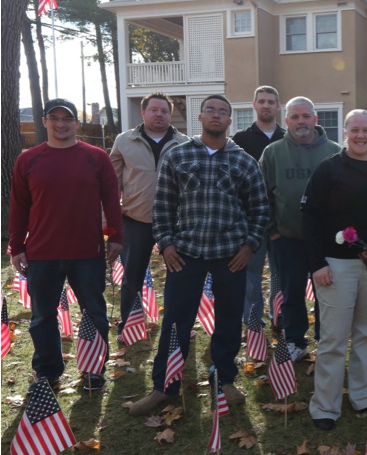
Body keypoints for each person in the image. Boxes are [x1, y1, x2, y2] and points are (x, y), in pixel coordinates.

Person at [129, 95, 270, 416]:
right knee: (176, 322)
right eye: (211, 110)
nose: (216, 116)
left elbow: (260, 210)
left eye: (223, 111)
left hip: (230, 255)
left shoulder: (244, 161)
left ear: (230, 120)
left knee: (229, 320)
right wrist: (166, 244)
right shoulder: (177, 157)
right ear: (201, 117)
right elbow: (162, 206)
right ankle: (164, 387)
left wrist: (248, 246)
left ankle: (224, 380)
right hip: (186, 255)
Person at [302, 109, 367, 430]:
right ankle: (325, 406)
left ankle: (365, 397)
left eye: (366, 130)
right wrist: (316, 264)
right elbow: (310, 218)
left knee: (366, 334)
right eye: (355, 130)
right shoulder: (328, 169)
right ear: (345, 131)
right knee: (333, 338)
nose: (361, 136)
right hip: (335, 267)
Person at [9, 98, 123, 391]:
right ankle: (47, 371)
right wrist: (17, 245)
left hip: (87, 252)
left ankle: (93, 370)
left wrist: (116, 236)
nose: (61, 124)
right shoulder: (28, 160)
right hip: (42, 253)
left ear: (76, 123)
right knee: (42, 316)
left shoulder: (96, 157)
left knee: (94, 312)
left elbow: (111, 199)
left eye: (67, 119)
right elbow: (19, 206)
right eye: (55, 118)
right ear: (45, 121)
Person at [259, 97, 341, 361]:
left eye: (306, 116)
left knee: (326, 293)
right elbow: (262, 195)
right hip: (288, 238)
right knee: (291, 292)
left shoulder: (335, 152)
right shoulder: (273, 152)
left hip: (327, 242)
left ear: (315, 120)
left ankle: (324, 340)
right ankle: (295, 340)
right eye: (294, 117)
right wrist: (273, 230)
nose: (301, 121)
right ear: (287, 121)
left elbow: (346, 196)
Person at [110, 93, 188, 338]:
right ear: (143, 112)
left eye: (164, 111)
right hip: (135, 220)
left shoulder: (184, 143)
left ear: (169, 114)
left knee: (180, 277)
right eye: (154, 110)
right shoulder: (125, 141)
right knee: (132, 277)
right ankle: (130, 324)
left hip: (174, 223)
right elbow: (113, 184)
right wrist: (108, 222)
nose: (159, 115)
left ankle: (178, 325)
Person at [231, 86, 285, 323]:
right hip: (249, 217)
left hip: (282, 218)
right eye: (261, 101)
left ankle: (278, 314)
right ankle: (252, 318)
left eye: (270, 101)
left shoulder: (287, 138)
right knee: (250, 272)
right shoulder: (240, 140)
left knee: (279, 272)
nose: (266, 105)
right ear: (254, 105)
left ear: (277, 106)